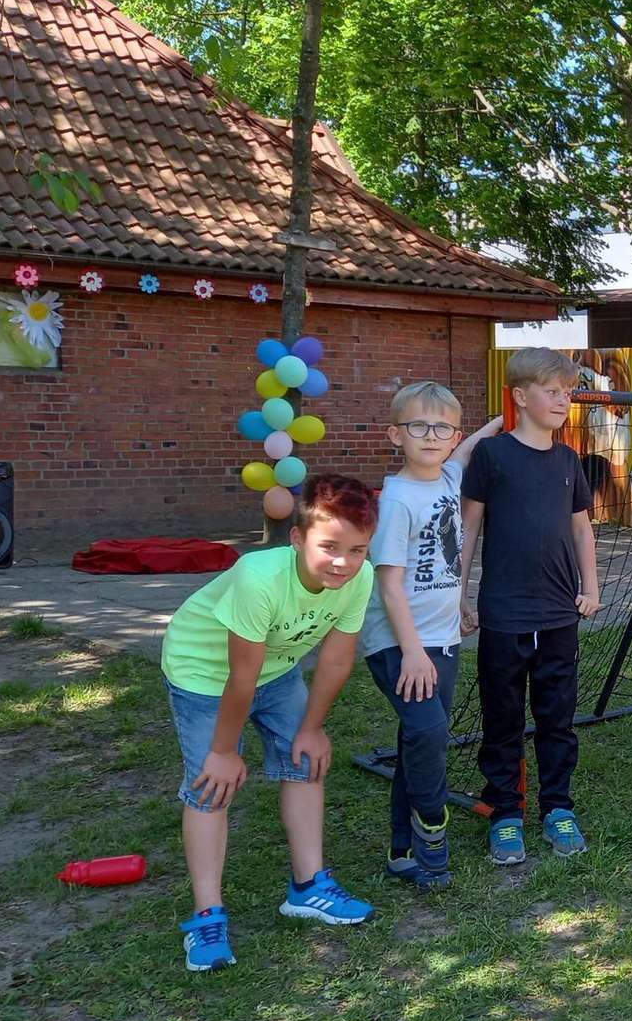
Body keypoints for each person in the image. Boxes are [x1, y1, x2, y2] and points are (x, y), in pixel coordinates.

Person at [160, 475, 379, 972]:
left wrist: (311, 728)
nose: (343, 563)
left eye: (357, 550)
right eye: (329, 547)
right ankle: (207, 916)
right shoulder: (258, 576)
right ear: (298, 538)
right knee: (211, 786)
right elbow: (242, 676)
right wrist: (223, 751)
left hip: (277, 670)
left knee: (306, 761)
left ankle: (308, 886)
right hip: (203, 672)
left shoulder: (359, 577)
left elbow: (336, 661)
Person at [359, 382, 503, 890]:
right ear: (395, 435)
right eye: (418, 426)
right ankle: (430, 826)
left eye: (442, 428)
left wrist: (501, 419)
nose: (431, 436)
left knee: (417, 738)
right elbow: (389, 584)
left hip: (442, 638)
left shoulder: (448, 475)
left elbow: (466, 452)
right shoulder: (397, 501)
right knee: (428, 733)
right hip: (400, 643)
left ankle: (400, 850)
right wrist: (412, 652)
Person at [460, 347, 601, 864]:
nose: (563, 400)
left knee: (557, 718)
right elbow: (468, 528)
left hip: (560, 613)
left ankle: (557, 807)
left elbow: (581, 529)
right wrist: (459, 593)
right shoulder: (492, 456)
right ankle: (505, 813)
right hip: (504, 615)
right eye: (552, 391)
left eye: (568, 392)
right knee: (502, 719)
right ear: (520, 396)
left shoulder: (567, 461)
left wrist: (592, 587)